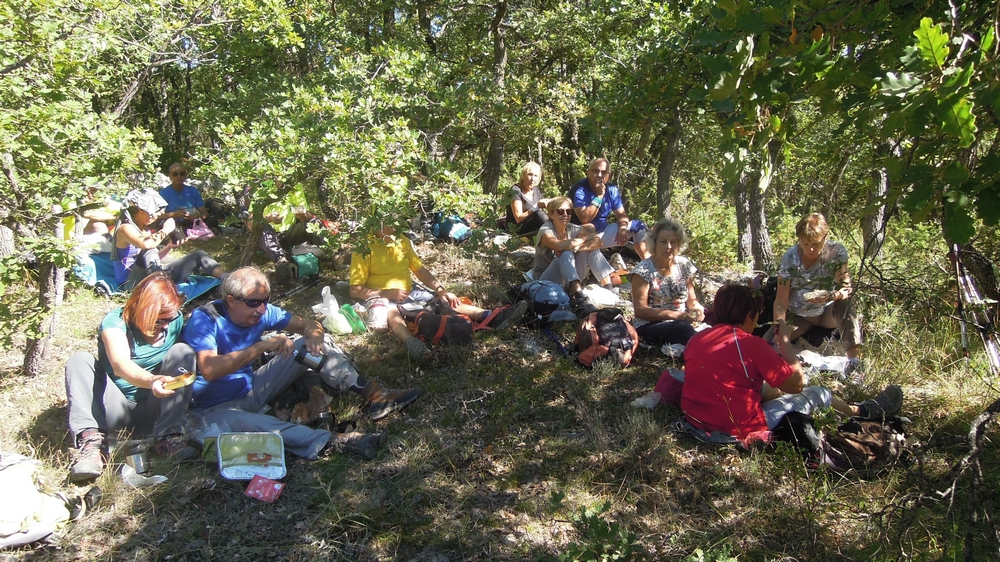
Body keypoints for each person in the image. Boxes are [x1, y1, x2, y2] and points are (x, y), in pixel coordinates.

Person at [182, 266, 423, 460]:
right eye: (254, 302)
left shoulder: (262, 311)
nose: (262, 309)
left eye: (266, 300)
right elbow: (210, 370)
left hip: (251, 388)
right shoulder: (206, 320)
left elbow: (308, 324)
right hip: (214, 408)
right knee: (259, 424)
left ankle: (372, 394)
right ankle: (332, 442)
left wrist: (316, 336)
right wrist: (261, 347)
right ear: (231, 300)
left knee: (306, 345)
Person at [681, 283, 902, 441]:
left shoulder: (698, 338)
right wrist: (784, 340)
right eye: (757, 314)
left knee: (768, 389)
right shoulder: (750, 344)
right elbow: (795, 385)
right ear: (749, 315)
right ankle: (859, 412)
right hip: (737, 429)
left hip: (696, 420)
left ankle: (855, 410)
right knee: (817, 393)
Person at [65, 273, 199, 482]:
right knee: (79, 360)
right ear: (141, 309)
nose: (165, 325)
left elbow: (179, 362)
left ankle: (169, 437)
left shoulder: (174, 321)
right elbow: (120, 365)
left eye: (169, 319)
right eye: (159, 320)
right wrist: (151, 380)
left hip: (156, 406)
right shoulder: (115, 323)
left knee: (183, 351)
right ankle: (92, 446)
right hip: (115, 407)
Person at [350, 225, 529, 361]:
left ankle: (493, 316)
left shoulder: (401, 240)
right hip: (383, 296)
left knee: (444, 301)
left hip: (410, 290)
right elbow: (355, 290)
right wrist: (387, 293)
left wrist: (440, 289)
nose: (398, 225)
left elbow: (419, 269)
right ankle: (411, 343)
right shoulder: (364, 247)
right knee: (391, 312)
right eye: (392, 220)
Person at [772, 213, 863, 375]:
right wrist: (781, 328)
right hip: (798, 315)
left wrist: (830, 296)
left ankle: (854, 365)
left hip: (826, 312)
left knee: (846, 305)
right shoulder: (790, 257)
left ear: (825, 237)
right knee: (769, 346)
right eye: (806, 244)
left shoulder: (836, 252)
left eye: (816, 243)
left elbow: (846, 288)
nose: (811, 249)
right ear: (799, 239)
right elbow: (781, 300)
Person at [113, 188, 227, 290]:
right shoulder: (125, 228)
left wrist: (169, 246)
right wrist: (166, 229)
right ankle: (162, 290)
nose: (157, 215)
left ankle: (227, 278)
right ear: (140, 210)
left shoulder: (144, 228)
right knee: (150, 249)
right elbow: (147, 246)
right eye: (154, 212)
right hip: (130, 283)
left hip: (150, 276)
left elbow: (151, 260)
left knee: (199, 255)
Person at [530, 197, 615, 315]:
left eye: (568, 211)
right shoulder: (546, 230)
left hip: (568, 275)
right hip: (546, 280)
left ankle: (609, 290)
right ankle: (580, 297)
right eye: (560, 211)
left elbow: (598, 242)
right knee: (566, 253)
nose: (565, 214)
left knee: (591, 250)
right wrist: (584, 239)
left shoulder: (572, 228)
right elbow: (559, 246)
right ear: (551, 214)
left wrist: (577, 247)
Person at [629, 218, 704, 348]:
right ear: (654, 243)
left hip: (682, 322)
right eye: (663, 242)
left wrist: (697, 309)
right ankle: (701, 351)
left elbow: (692, 300)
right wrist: (674, 315)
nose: (668, 247)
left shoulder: (684, 265)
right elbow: (640, 310)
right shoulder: (643, 270)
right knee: (682, 329)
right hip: (650, 325)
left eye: (673, 242)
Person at [570, 158, 650, 260]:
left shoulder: (612, 190)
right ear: (588, 173)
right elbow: (584, 219)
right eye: (595, 171)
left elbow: (621, 215)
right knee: (589, 227)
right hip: (581, 237)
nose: (599, 175)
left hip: (602, 232)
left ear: (609, 176)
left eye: (603, 172)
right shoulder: (580, 189)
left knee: (638, 226)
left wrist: (622, 228)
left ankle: (648, 266)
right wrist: (599, 196)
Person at [158, 162, 209, 241]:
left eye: (182, 174)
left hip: (191, 223)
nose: (179, 176)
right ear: (170, 176)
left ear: (185, 175)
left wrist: (196, 217)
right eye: (175, 174)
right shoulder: (163, 193)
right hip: (172, 225)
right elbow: (158, 216)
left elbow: (204, 213)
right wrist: (174, 214)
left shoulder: (192, 191)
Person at [505, 162, 550, 236]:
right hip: (517, 229)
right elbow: (518, 218)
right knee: (540, 214)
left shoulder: (536, 191)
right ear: (523, 175)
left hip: (532, 228)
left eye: (536, 176)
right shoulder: (515, 190)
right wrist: (537, 206)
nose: (532, 179)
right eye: (530, 174)